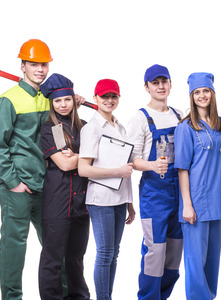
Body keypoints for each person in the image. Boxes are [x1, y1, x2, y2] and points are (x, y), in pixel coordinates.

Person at [0, 39, 53, 300]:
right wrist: (12, 181)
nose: (40, 69)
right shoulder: (8, 100)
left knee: (54, 245)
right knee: (14, 246)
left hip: (46, 185)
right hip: (18, 187)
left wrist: (70, 99)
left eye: (44, 64)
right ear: (23, 65)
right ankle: (12, 297)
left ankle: (60, 295)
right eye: (34, 64)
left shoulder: (48, 99)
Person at [127, 64, 183, 300]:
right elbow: (132, 159)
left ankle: (163, 296)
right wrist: (151, 165)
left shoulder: (180, 115)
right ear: (147, 87)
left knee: (174, 253)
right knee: (155, 252)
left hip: (180, 192)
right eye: (155, 83)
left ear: (170, 83)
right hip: (154, 194)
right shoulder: (140, 118)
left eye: (164, 81)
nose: (161, 86)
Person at [78, 79, 135, 300]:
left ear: (118, 98)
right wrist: (116, 172)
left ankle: (107, 296)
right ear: (95, 99)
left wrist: (130, 202)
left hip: (120, 200)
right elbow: (84, 169)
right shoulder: (91, 129)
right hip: (100, 200)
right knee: (104, 254)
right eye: (104, 96)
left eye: (113, 96)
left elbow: (126, 168)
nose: (109, 100)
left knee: (114, 254)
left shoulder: (119, 127)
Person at [37, 73, 90, 300]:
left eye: (67, 99)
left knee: (76, 258)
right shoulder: (50, 129)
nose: (63, 105)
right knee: (53, 259)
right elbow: (65, 164)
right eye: (57, 101)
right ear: (51, 104)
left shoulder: (85, 127)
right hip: (57, 202)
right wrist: (85, 156)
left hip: (82, 203)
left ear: (74, 100)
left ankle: (79, 297)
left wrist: (77, 154)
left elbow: (103, 155)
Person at [174, 72, 221, 300]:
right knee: (196, 263)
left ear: (213, 94)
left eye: (206, 91)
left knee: (212, 261)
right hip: (195, 202)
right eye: (197, 92)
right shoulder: (186, 127)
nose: (202, 96)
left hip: (217, 202)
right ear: (191, 96)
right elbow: (182, 169)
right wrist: (187, 204)